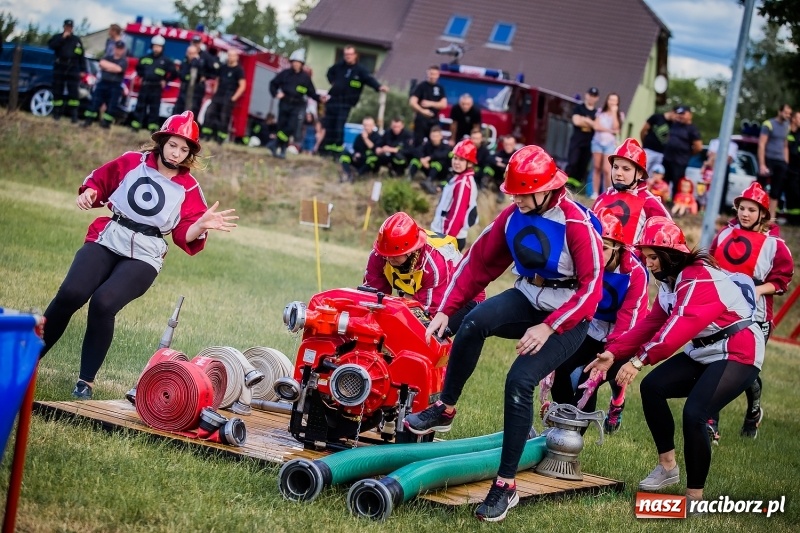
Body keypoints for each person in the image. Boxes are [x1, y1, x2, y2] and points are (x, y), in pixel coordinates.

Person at [405, 145, 603, 522]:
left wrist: (549, 326)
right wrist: (446, 309)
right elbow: (476, 263)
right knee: (473, 321)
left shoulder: (577, 224)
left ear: (546, 190)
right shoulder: (513, 216)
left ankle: (506, 485)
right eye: (513, 193)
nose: (516, 200)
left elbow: (591, 290)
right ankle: (445, 407)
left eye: (523, 194)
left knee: (519, 381)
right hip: (528, 295)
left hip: (569, 316)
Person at [40, 111, 238, 399]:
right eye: (172, 145)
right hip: (109, 236)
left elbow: (184, 233)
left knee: (103, 303)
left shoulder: (189, 187)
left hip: (146, 253)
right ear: (161, 142)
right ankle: (26, 362)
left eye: (184, 149)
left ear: (190, 154)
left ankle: (85, 382)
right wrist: (90, 193)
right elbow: (99, 181)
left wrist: (201, 225)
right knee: (71, 293)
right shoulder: (133, 162)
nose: (176, 153)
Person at [585, 217, 764, 506]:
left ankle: (695, 498)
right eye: (646, 257)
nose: (648, 263)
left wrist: (639, 360)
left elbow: (679, 328)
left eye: (653, 257)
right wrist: (615, 353)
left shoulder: (697, 277)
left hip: (738, 351)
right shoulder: (671, 282)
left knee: (695, 414)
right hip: (705, 351)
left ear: (671, 255)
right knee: (653, 387)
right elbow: (651, 324)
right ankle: (667, 467)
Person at [707, 182, 793, 443]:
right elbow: (710, 265)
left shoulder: (775, 245)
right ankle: (710, 423)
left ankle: (753, 412)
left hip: (756, 315)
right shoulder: (724, 234)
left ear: (763, 214)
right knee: (714, 363)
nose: (745, 214)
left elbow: (782, 281)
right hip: (722, 310)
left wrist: (757, 290)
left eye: (751, 210)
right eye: (742, 208)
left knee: (746, 372)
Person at [550, 211, 648, 415]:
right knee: (557, 365)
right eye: (591, 245)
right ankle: (564, 418)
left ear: (618, 248)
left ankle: (610, 405)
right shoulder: (583, 260)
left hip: (626, 337)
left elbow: (627, 322)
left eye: (602, 248)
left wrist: (611, 354)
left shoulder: (636, 274)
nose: (594, 252)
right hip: (593, 328)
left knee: (589, 377)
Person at [363, 212, 483, 332]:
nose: (388, 258)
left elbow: (427, 316)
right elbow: (372, 299)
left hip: (464, 295)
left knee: (428, 332)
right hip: (420, 289)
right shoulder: (378, 255)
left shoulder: (434, 265)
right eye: (385, 254)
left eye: (395, 255)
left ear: (410, 251)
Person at [592, 138, 671, 246]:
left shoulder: (650, 203)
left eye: (626, 169)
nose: (618, 173)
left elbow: (668, 241)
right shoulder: (601, 198)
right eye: (615, 167)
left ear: (639, 174)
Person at [319, 45, 388, 157]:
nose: (348, 57)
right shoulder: (339, 66)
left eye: (350, 54)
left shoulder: (360, 70)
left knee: (339, 127)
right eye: (346, 54)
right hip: (334, 100)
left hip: (346, 103)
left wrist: (379, 87)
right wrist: (334, 82)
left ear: (355, 55)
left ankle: (337, 152)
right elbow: (329, 73)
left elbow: (369, 79)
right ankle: (325, 151)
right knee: (329, 126)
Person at [267, 49, 320, 159]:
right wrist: (276, 94)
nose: (296, 64)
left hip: (297, 105)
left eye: (298, 62)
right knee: (281, 126)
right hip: (284, 103)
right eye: (294, 62)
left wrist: (320, 99)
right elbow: (273, 84)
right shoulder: (285, 74)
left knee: (291, 127)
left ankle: (275, 144)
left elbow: (311, 92)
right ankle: (281, 150)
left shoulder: (305, 78)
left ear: (302, 64)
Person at [430, 139, 479, 251]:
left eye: (461, 159)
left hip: (448, 238)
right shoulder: (459, 178)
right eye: (455, 158)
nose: (456, 162)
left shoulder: (463, 183)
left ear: (470, 163)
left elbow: (458, 215)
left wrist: (446, 241)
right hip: (445, 235)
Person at [130, 35, 175, 132]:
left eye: (159, 46)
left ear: (162, 48)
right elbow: (138, 68)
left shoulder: (166, 61)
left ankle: (153, 128)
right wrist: (141, 76)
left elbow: (174, 73)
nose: (156, 48)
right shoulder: (145, 58)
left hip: (156, 87)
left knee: (154, 108)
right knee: (140, 106)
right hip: (145, 85)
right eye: (155, 46)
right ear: (152, 46)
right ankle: (136, 126)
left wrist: (166, 80)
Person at [201, 49, 246, 145]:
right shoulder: (223, 67)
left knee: (224, 118)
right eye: (229, 55)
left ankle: (220, 139)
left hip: (228, 97)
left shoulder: (239, 70)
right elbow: (217, 80)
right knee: (209, 113)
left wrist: (233, 98)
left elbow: (242, 86)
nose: (230, 57)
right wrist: (215, 92)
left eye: (232, 55)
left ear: (236, 57)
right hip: (218, 96)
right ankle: (206, 135)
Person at [757, 104, 792, 220]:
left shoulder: (787, 126)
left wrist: (786, 162)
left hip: (780, 161)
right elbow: (762, 144)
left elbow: (785, 145)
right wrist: (762, 164)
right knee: (761, 188)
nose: (788, 115)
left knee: (776, 191)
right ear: (779, 111)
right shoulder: (769, 124)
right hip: (768, 159)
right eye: (786, 113)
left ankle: (771, 218)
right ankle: (757, 214)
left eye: (789, 114)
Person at [82, 40, 127, 128]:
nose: (118, 50)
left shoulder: (124, 61)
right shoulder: (108, 57)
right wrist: (113, 67)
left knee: (111, 105)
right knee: (95, 102)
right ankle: (88, 121)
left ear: (123, 50)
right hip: (103, 83)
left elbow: (118, 69)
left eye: (120, 49)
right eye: (117, 48)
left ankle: (106, 123)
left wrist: (106, 68)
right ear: (114, 48)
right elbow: (102, 63)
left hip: (115, 85)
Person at [48, 19, 85, 123]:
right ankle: (56, 114)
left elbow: (81, 56)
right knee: (57, 90)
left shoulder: (76, 40)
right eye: (67, 26)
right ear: (64, 27)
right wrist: (62, 38)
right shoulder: (57, 37)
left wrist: (83, 69)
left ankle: (74, 116)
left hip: (72, 68)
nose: (68, 28)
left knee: (73, 92)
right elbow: (51, 46)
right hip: (60, 66)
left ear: (72, 28)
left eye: (70, 27)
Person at [662, 106, 702, 195]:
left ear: (690, 115)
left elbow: (698, 147)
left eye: (683, 114)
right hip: (667, 159)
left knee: (677, 184)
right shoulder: (674, 125)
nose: (680, 116)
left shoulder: (692, 129)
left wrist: (687, 154)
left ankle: (675, 201)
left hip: (680, 162)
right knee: (664, 182)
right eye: (679, 114)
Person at [590, 92, 623, 199]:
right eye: (610, 99)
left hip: (610, 144)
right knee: (596, 167)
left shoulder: (620, 115)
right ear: (607, 100)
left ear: (617, 102)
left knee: (607, 169)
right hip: (597, 142)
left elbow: (616, 127)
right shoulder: (600, 112)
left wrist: (614, 113)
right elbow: (596, 126)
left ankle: (607, 193)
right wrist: (610, 130)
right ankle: (595, 192)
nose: (612, 102)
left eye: (614, 100)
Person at [565, 87, 599, 188]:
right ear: (586, 95)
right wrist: (590, 122)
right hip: (577, 140)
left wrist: (585, 120)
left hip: (588, 143)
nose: (591, 98)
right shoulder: (579, 108)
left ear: (597, 98)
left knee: (583, 165)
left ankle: (575, 186)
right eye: (590, 95)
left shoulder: (597, 112)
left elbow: (597, 126)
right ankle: (566, 183)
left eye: (594, 96)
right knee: (573, 162)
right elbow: (576, 121)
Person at [409, 65, 447, 147]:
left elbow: (444, 104)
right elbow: (412, 102)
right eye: (431, 74)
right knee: (418, 142)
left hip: (434, 119)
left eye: (435, 74)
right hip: (421, 120)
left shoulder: (440, 88)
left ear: (438, 75)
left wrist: (430, 103)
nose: (432, 76)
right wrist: (422, 111)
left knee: (434, 143)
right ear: (427, 74)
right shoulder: (421, 86)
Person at [701, 136, 738, 214]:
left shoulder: (733, 145)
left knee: (720, 191)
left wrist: (715, 155)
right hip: (711, 170)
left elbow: (728, 158)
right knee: (706, 195)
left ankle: (718, 211)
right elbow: (710, 154)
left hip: (724, 169)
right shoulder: (714, 142)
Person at [407, 125, 450, 190]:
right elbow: (417, 151)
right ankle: (409, 177)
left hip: (440, 173)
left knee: (439, 162)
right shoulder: (427, 145)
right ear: (430, 136)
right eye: (433, 136)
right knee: (415, 160)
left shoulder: (446, 147)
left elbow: (442, 155)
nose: (434, 138)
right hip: (427, 167)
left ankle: (429, 181)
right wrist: (422, 159)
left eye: (436, 136)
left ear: (441, 136)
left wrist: (429, 158)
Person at [340, 116, 381, 182]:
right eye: (365, 125)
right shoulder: (359, 137)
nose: (367, 127)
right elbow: (355, 149)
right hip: (359, 159)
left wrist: (365, 139)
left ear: (373, 126)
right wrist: (355, 154)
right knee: (344, 154)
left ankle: (358, 175)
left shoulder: (377, 137)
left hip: (369, 162)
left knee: (373, 158)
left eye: (369, 125)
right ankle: (347, 173)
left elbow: (375, 149)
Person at [640, 109, 677, 174]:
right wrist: (644, 143)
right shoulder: (656, 117)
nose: (677, 118)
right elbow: (643, 130)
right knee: (642, 169)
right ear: (672, 112)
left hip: (661, 153)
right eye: (676, 116)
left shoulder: (673, 124)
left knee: (653, 174)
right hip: (649, 149)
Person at [173, 44, 205, 117]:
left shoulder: (199, 63)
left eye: (193, 53)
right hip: (183, 89)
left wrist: (195, 61)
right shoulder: (184, 62)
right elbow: (181, 75)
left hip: (194, 92)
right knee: (178, 110)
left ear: (196, 54)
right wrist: (186, 77)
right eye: (189, 53)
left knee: (190, 111)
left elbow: (199, 76)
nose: (190, 55)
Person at [488, 135, 519, 203]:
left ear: (514, 144)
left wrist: (501, 161)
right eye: (506, 144)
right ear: (503, 144)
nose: (508, 146)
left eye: (510, 144)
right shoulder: (500, 153)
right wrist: (499, 163)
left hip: (512, 183)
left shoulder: (517, 155)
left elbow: (514, 164)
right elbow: (490, 159)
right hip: (497, 180)